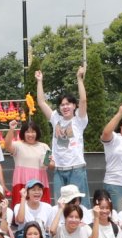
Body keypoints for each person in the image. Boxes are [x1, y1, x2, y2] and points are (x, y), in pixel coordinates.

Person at [34, 67, 89, 201]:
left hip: (76, 169)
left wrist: (79, 79)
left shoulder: (79, 120)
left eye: (68, 104)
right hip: (59, 170)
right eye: (62, 105)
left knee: (79, 205)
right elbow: (41, 102)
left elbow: (83, 100)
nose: (65, 107)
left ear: (74, 106)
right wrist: (39, 81)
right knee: (61, 204)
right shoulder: (55, 119)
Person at [8, 119, 50, 204]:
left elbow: (51, 163)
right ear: (23, 133)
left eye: (33, 132)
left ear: (37, 133)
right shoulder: (18, 145)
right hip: (21, 182)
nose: (30, 134)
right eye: (27, 132)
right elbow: (7, 145)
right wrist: (11, 129)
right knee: (20, 208)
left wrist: (48, 162)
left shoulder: (44, 146)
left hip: (39, 182)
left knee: (42, 209)